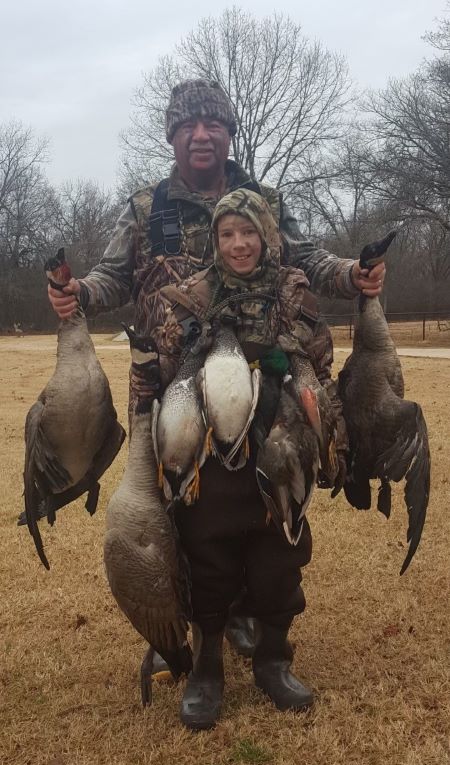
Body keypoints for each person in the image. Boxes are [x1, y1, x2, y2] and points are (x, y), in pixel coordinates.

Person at [47, 79, 385, 662]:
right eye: (188, 127)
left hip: (257, 379)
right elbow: (111, 279)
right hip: (168, 379)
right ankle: (188, 618)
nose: (201, 136)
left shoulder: (264, 199)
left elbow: (306, 257)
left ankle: (253, 612)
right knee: (176, 504)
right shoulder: (145, 209)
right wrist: (77, 292)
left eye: (213, 126)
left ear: (228, 133)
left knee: (260, 487)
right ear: (173, 136)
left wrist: (350, 273)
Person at [147, 187, 346, 728]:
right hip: (211, 463)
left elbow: (322, 370)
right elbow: (161, 381)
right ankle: (207, 669)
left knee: (280, 559)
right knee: (207, 557)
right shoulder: (188, 296)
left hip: (282, 449)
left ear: (267, 236)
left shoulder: (293, 293)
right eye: (227, 234)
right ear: (214, 240)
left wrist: (333, 439)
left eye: (249, 232)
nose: (239, 244)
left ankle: (274, 660)